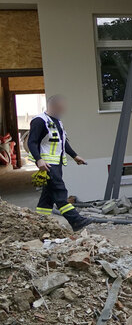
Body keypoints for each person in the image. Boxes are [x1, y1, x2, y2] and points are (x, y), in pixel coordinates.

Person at [27, 95, 93, 229]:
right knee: (59, 191)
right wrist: (39, 160)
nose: (63, 109)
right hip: (46, 164)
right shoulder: (40, 121)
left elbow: (63, 143)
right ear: (53, 106)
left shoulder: (58, 122)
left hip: (57, 164)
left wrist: (74, 156)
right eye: (61, 107)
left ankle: (41, 223)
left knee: (47, 196)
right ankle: (76, 221)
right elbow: (31, 142)